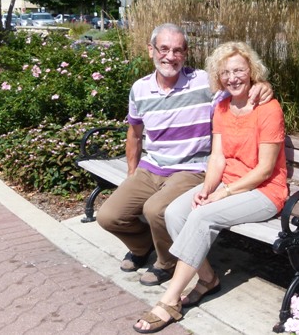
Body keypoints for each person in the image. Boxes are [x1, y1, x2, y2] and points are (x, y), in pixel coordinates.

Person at [96, 24, 272, 286]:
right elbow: (134, 134)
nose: (171, 56)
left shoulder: (203, 82)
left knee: (156, 210)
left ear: (186, 54)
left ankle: (166, 262)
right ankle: (143, 245)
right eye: (164, 49)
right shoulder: (139, 89)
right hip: (150, 168)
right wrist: (132, 174)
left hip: (191, 169)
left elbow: (238, 86)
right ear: (151, 50)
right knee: (108, 216)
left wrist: (263, 84)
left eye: (178, 50)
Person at [133, 41, 288, 333]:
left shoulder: (269, 108)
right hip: (228, 183)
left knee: (203, 216)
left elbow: (265, 170)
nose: (233, 78)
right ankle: (208, 279)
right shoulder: (223, 108)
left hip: (263, 192)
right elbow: (217, 157)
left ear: (252, 71)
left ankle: (169, 300)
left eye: (239, 70)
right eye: (225, 72)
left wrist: (222, 194)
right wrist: (207, 188)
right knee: (174, 212)